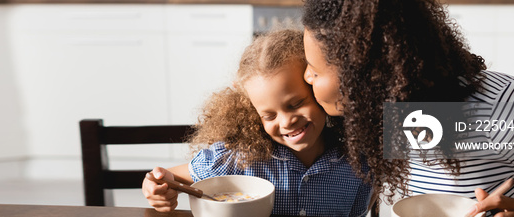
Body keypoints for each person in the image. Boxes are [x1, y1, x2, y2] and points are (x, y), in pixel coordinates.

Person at [300, 0, 514, 216]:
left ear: (368, 75)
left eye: (314, 69)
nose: (307, 77)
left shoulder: (496, 114)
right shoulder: (391, 116)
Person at [142, 29, 372, 216]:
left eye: (296, 103)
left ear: (318, 89)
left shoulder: (359, 162)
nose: (286, 121)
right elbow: (164, 177)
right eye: (269, 115)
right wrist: (157, 186)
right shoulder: (238, 158)